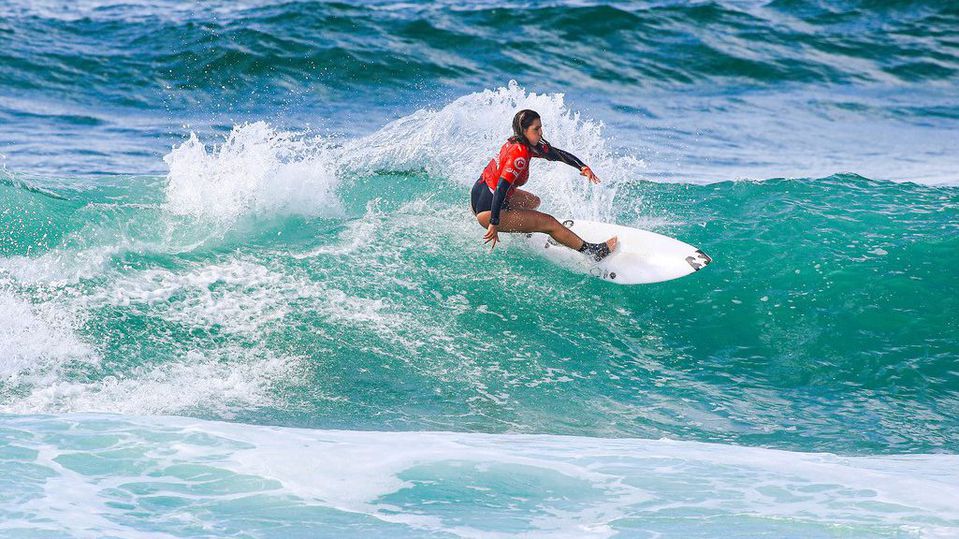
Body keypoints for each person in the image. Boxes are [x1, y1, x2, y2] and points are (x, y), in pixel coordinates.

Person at [470, 109, 618, 261]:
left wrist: (582, 166)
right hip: (488, 210)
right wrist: (494, 223)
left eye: (540, 127)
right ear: (524, 130)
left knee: (533, 201)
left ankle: (530, 229)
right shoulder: (519, 155)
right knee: (549, 222)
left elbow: (556, 154)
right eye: (536, 129)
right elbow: (501, 188)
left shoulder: (520, 142)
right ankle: (593, 252)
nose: (540, 132)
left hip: (481, 193)